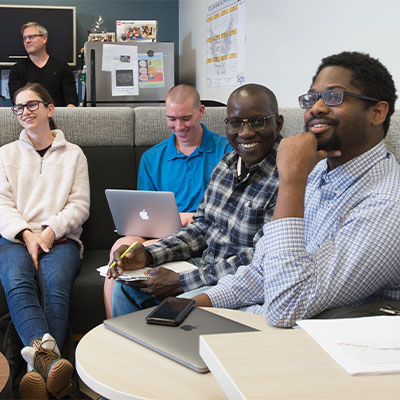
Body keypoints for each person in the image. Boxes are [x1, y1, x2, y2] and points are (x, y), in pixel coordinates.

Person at [194, 51, 400, 327]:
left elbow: (287, 307)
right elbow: (261, 271)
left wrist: (291, 180)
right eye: (312, 98)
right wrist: (194, 302)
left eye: (334, 97)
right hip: (258, 319)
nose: (317, 108)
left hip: (303, 345)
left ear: (377, 112)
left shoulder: (386, 203)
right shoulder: (319, 172)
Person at [108, 83, 284, 317]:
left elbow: (260, 258)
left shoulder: (287, 174)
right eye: (235, 123)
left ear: (278, 123)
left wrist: (183, 281)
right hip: (205, 267)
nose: (245, 132)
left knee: (174, 306)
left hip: (234, 286)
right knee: (125, 288)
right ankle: (128, 351)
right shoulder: (228, 163)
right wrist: (150, 254)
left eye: (257, 121)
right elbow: (202, 227)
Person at [103, 84, 232, 317]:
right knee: (120, 252)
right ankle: (113, 327)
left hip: (205, 230)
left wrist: (190, 218)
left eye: (185, 118)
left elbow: (228, 208)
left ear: (201, 112)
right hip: (163, 230)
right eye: (172, 119)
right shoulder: (153, 157)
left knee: (144, 251)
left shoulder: (225, 150)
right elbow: (144, 213)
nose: (179, 127)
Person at [0, 83, 90, 398]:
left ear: (50, 109)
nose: (24, 111)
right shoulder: (5, 154)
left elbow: (79, 206)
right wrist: (27, 235)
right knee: (16, 279)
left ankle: (33, 371)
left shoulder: (74, 154)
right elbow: (1, 204)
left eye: (32, 104)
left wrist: (49, 232)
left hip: (60, 238)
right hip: (15, 237)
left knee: (55, 287)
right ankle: (52, 366)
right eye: (18, 107)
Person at [8, 22, 78, 107]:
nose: (27, 41)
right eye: (24, 38)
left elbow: (71, 98)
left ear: (44, 39)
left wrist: (69, 113)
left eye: (31, 37)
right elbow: (16, 99)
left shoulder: (62, 67)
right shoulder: (17, 69)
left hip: (58, 117)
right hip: (30, 116)